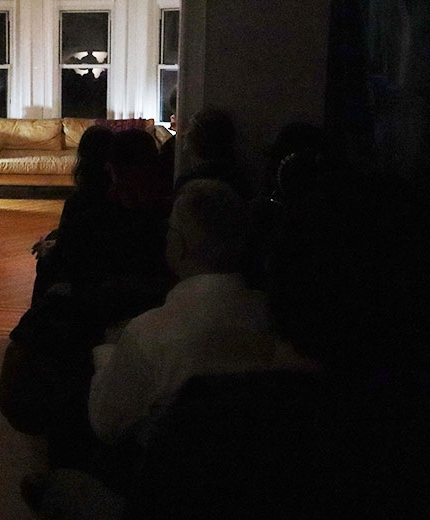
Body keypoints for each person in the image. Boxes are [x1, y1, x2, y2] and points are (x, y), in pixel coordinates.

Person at [87, 179, 315, 446]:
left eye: (170, 228)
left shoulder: (147, 335)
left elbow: (106, 423)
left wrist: (105, 356)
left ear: (179, 245)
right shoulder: (279, 318)